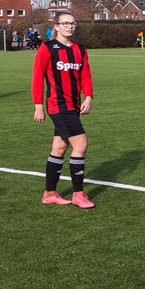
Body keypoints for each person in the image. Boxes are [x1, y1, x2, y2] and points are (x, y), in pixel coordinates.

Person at [32, 12, 95, 209]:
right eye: (65, 23)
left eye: (72, 23)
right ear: (56, 26)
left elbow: (86, 75)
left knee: (59, 148)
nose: (70, 26)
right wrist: (38, 106)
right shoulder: (47, 49)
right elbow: (37, 77)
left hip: (74, 105)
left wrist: (89, 97)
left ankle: (49, 193)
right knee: (81, 144)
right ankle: (78, 194)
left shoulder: (79, 49)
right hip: (58, 105)